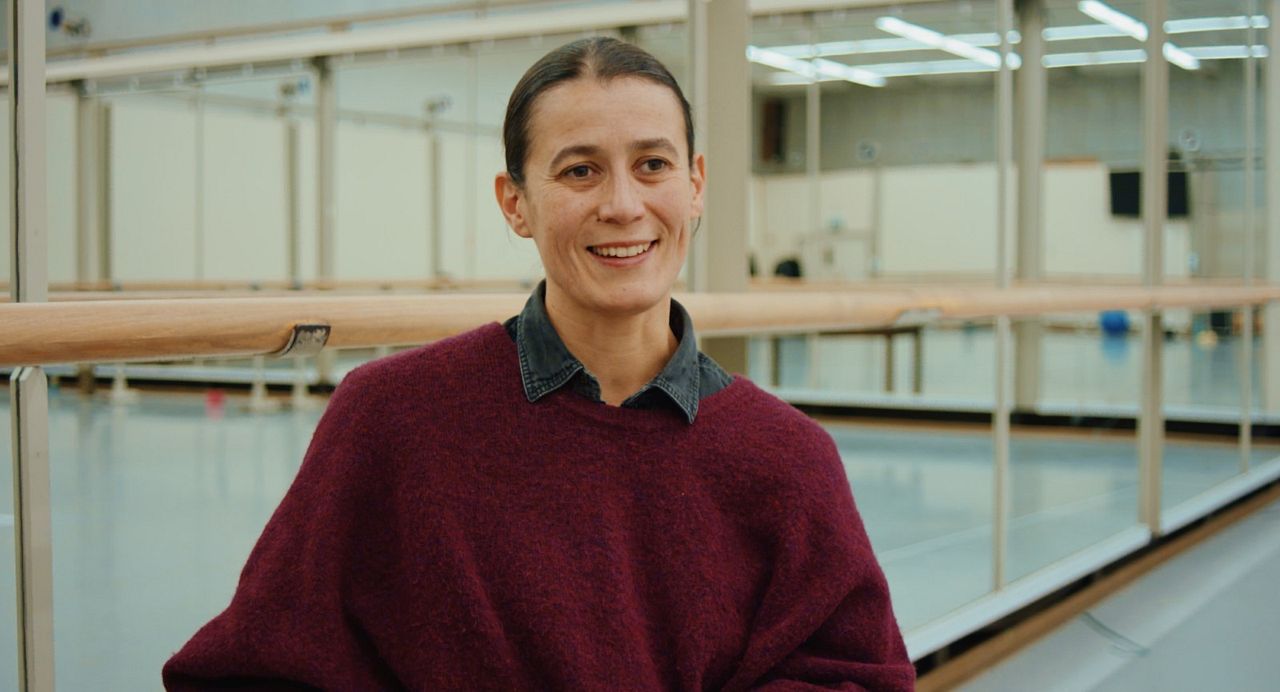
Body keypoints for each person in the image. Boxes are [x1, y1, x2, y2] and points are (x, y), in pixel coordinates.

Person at [163, 37, 914, 691]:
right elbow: (256, 668)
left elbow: (853, 674)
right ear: (514, 202)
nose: (623, 205)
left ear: (695, 187)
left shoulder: (785, 459)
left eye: (652, 164)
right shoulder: (393, 419)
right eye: (579, 171)